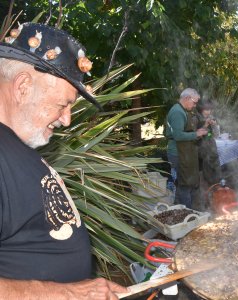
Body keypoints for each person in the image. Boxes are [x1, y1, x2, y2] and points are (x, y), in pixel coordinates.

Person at [0, 23, 127, 298]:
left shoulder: (13, 145)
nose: (67, 120)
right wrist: (67, 294)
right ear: (22, 87)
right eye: (63, 105)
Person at [165, 88, 208, 209]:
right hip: (178, 153)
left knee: (186, 184)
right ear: (187, 98)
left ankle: (186, 212)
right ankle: (187, 214)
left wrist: (198, 130)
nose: (195, 106)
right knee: (184, 185)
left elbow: (184, 130)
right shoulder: (178, 112)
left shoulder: (183, 110)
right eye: (194, 102)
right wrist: (196, 134)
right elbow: (178, 136)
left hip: (184, 152)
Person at [193, 100, 221, 210]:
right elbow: (195, 137)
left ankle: (215, 201)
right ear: (201, 109)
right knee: (204, 178)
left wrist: (215, 126)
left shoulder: (211, 118)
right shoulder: (196, 119)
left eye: (210, 109)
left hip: (212, 150)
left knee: (215, 176)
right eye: (206, 110)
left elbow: (216, 135)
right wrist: (205, 124)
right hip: (201, 153)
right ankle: (203, 205)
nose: (208, 112)